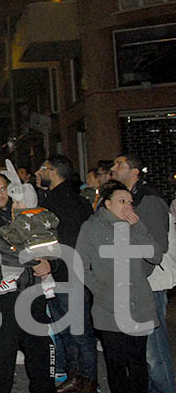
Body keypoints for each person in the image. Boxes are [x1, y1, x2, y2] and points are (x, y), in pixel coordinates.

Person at [0, 172, 56, 393]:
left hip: (31, 290)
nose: (0, 195)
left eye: (3, 189)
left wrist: (48, 262)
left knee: (40, 352)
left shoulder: (23, 211)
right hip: (1, 294)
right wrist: (35, 261)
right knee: (3, 355)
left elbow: (46, 239)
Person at [76, 180, 162, 393]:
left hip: (139, 304)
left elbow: (156, 256)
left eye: (130, 202)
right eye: (121, 201)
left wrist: (139, 227)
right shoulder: (91, 227)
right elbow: (80, 265)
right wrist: (101, 290)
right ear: (107, 204)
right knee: (116, 363)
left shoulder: (135, 226)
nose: (127, 206)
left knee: (138, 362)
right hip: (109, 307)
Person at [111, 153, 174, 393]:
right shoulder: (128, 198)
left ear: (135, 171)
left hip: (149, 284)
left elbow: (157, 245)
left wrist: (134, 278)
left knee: (153, 352)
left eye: (120, 164)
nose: (114, 168)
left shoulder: (148, 199)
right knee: (140, 352)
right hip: (136, 281)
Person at [34, 154, 96, 393]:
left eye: (42, 169)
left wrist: (54, 265)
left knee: (79, 334)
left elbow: (68, 243)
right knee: (66, 332)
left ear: (53, 171)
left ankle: (88, 381)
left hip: (70, 278)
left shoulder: (65, 202)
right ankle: (76, 378)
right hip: (63, 277)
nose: (39, 174)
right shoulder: (67, 199)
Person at [0, 169, 58, 299]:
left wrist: (4, 231)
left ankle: (10, 279)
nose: (14, 206)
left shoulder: (23, 218)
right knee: (43, 269)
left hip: (30, 248)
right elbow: (55, 222)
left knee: (12, 260)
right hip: (49, 247)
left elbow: (15, 235)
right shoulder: (43, 212)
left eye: (17, 202)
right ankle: (48, 286)